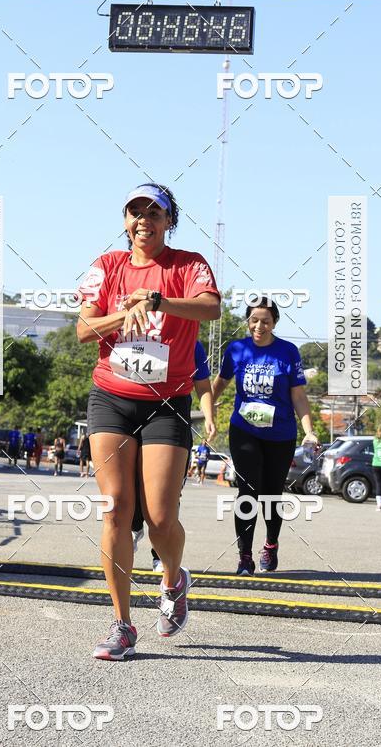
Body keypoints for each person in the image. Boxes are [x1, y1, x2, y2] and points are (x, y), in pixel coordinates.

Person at [77, 182, 220, 660]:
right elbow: (82, 330)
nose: (143, 220)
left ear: (168, 221)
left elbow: (212, 308)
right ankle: (121, 625)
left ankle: (174, 578)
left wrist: (156, 301)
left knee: (160, 518)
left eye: (153, 212)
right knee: (117, 507)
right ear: (124, 221)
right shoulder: (107, 267)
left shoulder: (188, 264)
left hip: (167, 402)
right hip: (112, 398)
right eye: (135, 211)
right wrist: (122, 314)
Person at [212, 298, 319, 576]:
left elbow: (298, 395)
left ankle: (270, 544)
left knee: (271, 494)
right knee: (247, 490)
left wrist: (309, 430)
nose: (259, 326)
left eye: (266, 321)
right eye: (254, 320)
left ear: (274, 323)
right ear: (248, 321)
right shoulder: (237, 349)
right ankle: (244, 555)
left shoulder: (287, 352)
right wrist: (207, 407)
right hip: (244, 430)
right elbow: (220, 383)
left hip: (280, 435)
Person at [132, 339, 217, 572]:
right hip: (133, 415)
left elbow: (203, 386)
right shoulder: (136, 337)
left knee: (167, 497)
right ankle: (134, 525)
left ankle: (159, 555)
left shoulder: (191, 343)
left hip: (171, 421)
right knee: (132, 481)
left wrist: (209, 417)